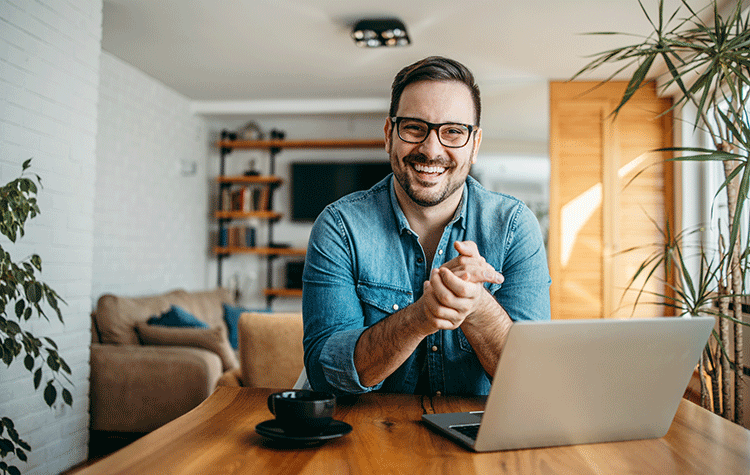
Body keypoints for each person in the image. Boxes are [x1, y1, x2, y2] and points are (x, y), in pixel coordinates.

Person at [302, 56, 550, 396]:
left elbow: (533, 382)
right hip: (366, 441)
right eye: (415, 127)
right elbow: (326, 375)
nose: (431, 150)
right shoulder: (339, 226)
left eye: (453, 131)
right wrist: (420, 316)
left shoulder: (515, 227)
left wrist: (478, 307)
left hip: (479, 440)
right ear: (390, 134)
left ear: (474, 144)